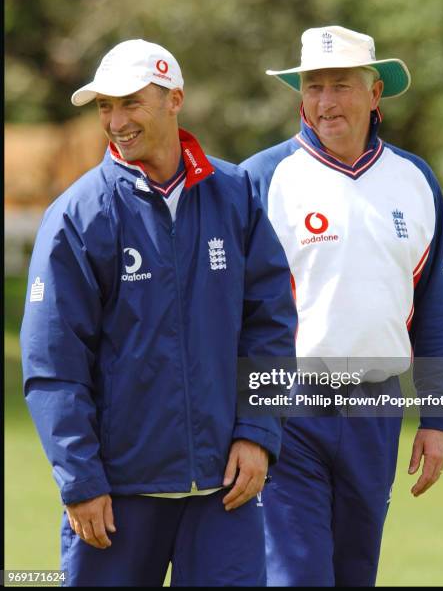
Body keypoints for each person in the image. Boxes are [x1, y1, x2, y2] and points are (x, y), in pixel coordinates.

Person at [20, 39, 297, 587]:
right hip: (117, 498)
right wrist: (81, 480)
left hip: (224, 494)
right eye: (105, 106)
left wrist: (258, 431)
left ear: (175, 99)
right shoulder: (78, 215)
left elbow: (270, 324)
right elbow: (53, 363)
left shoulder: (234, 193)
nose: (116, 121)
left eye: (131, 103)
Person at [241, 26, 443, 586]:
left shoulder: (416, 180)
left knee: (355, 572)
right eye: (314, 87)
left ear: (375, 93)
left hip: (376, 407)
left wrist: (438, 418)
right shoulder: (260, 178)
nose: (325, 102)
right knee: (296, 573)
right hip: (286, 403)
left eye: (341, 86)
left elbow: (432, 305)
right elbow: (228, 308)